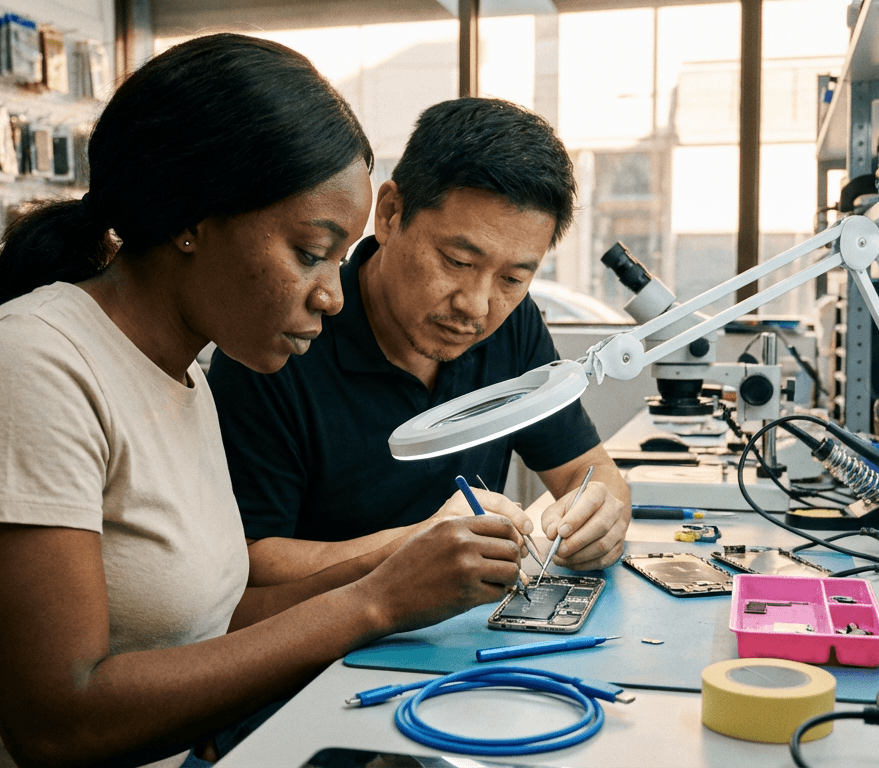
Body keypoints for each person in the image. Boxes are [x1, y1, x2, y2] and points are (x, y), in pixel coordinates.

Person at [0, 35, 526, 768]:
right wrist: (374, 604)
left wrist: (399, 570)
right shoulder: (29, 367)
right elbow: (59, 724)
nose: (332, 295)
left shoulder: (184, 376)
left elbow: (208, 624)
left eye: (338, 259)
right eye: (309, 251)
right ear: (190, 218)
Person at [209, 97, 632, 589]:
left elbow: (587, 468)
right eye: (457, 261)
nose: (476, 306)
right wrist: (416, 546)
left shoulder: (514, 328)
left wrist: (602, 513)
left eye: (513, 278)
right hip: (332, 653)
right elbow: (250, 559)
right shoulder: (279, 341)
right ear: (389, 214)